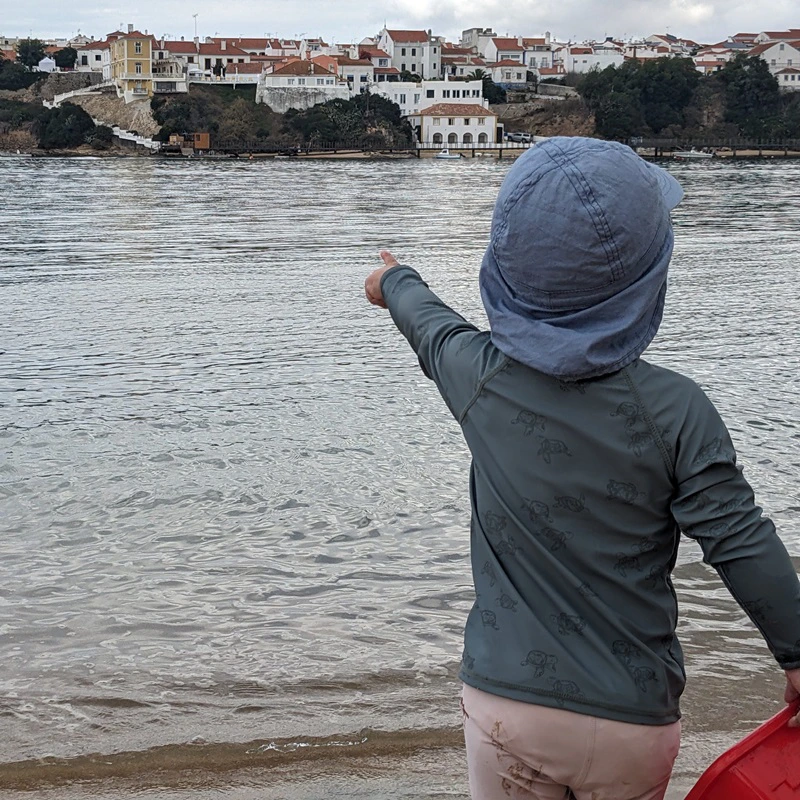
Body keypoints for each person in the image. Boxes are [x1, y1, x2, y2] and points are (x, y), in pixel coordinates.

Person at [363, 137, 800, 800]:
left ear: (505, 276)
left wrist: (394, 280)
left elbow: (432, 326)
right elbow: (740, 542)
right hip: (633, 721)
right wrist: (796, 655)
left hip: (508, 705)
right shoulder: (677, 410)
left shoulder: (480, 380)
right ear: (650, 279)